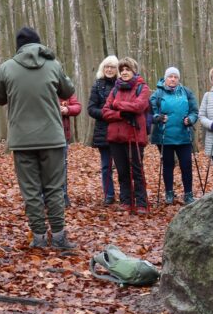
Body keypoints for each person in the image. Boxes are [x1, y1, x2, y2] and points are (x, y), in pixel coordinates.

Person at [0, 27, 77, 249]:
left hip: (22, 139)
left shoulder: (6, 68)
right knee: (54, 188)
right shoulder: (53, 64)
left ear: (18, 46)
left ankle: (38, 237)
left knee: (31, 190)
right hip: (52, 137)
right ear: (39, 44)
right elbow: (68, 91)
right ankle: (58, 237)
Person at [101, 58, 151, 213]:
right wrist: (122, 114)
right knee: (122, 171)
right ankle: (126, 201)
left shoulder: (142, 88)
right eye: (122, 69)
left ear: (134, 71)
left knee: (137, 170)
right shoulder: (115, 89)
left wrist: (117, 106)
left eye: (127, 69)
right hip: (115, 137)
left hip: (134, 135)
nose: (124, 72)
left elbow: (139, 106)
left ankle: (141, 203)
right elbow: (105, 112)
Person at [149, 67, 199, 205]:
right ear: (165, 78)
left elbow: (195, 111)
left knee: (186, 165)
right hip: (164, 135)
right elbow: (149, 114)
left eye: (175, 77)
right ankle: (169, 193)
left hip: (184, 135)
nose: (173, 79)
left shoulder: (186, 92)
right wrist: (158, 118)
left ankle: (188, 194)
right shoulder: (157, 94)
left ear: (178, 79)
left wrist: (191, 119)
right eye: (170, 76)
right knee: (168, 165)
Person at [87, 56, 120, 205]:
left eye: (112, 67)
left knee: (122, 165)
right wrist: (106, 114)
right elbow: (91, 109)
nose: (109, 69)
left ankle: (126, 194)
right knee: (106, 166)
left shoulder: (122, 85)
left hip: (120, 130)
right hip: (103, 131)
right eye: (107, 66)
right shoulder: (97, 85)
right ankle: (109, 194)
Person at [57, 92, 82, 207]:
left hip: (62, 136)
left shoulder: (63, 88)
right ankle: (44, 196)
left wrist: (67, 109)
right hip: (43, 135)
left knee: (62, 166)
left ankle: (63, 196)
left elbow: (77, 106)